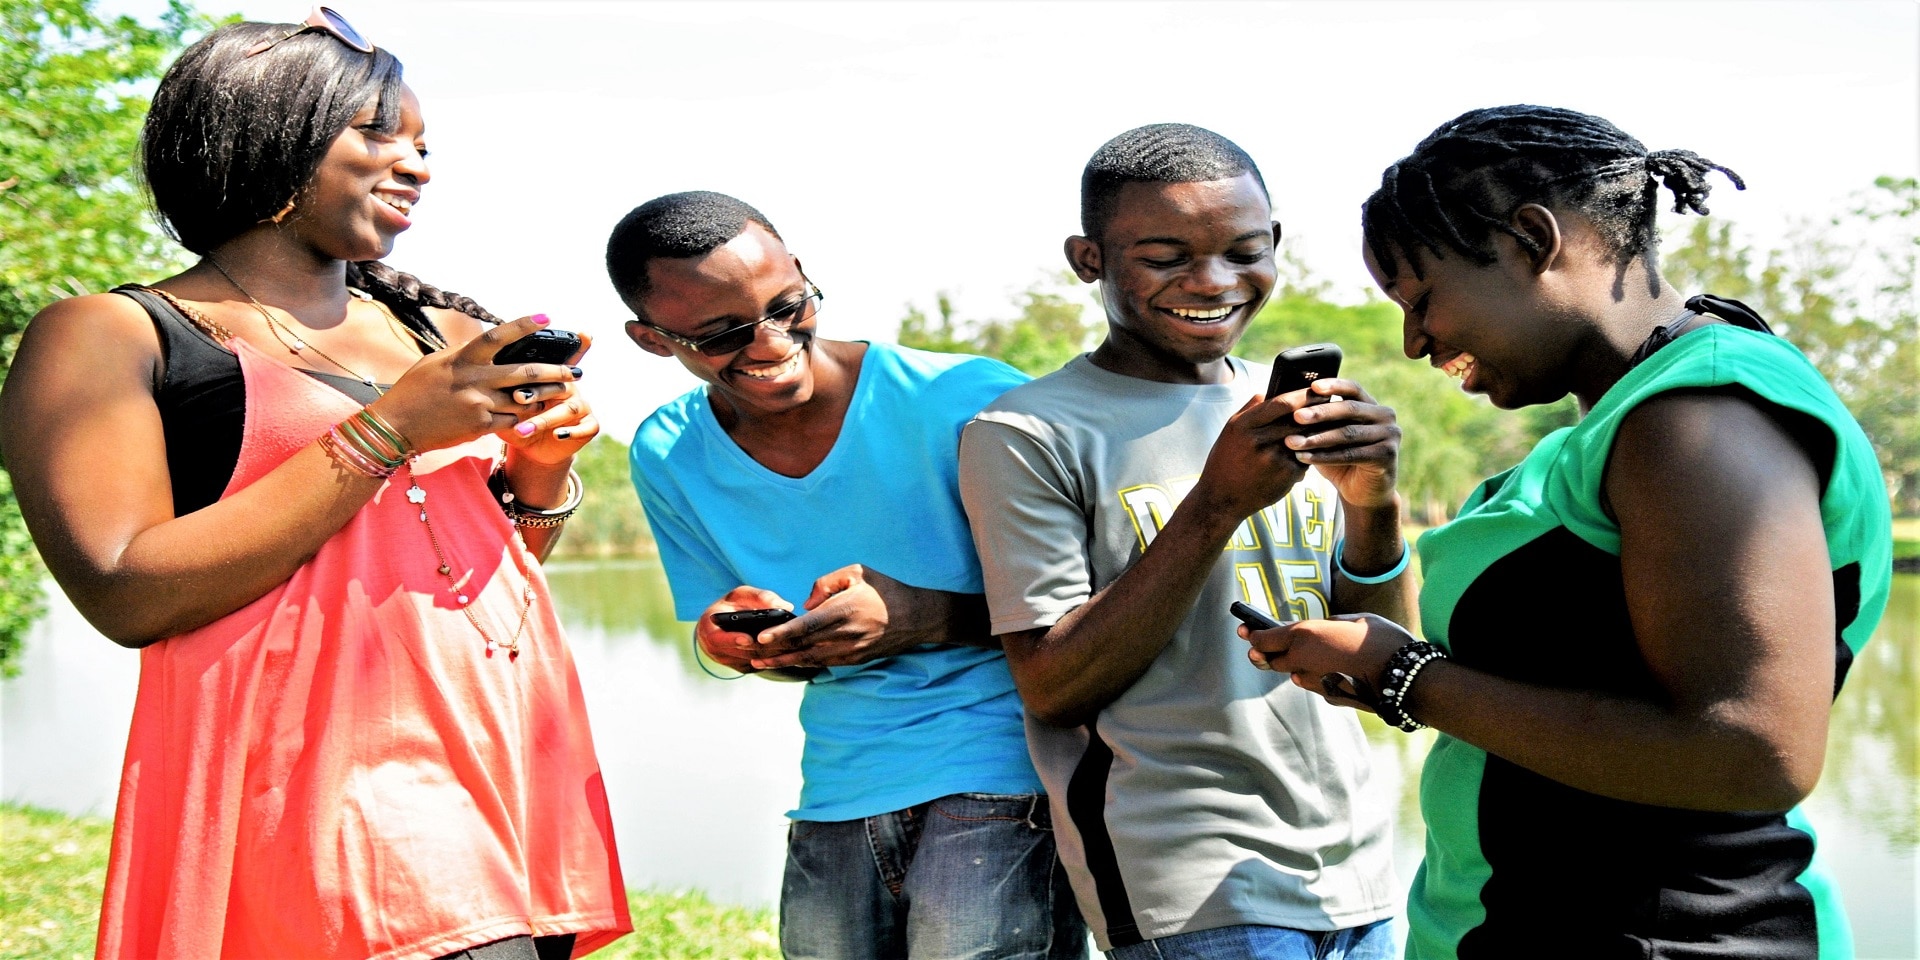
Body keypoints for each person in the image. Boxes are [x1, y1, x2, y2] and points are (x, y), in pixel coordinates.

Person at [0, 14, 630, 960]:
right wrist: (391, 429)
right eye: (379, 133)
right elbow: (124, 589)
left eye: (423, 145)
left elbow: (461, 569)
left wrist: (539, 480)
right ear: (270, 133)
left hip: (506, 752)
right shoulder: (113, 334)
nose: (415, 163)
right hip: (327, 773)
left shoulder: (439, 330)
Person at [1246, 105, 1895, 959]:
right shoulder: (1600, 433)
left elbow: (1751, 752)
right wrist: (1371, 505)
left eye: (1422, 297)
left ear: (1532, 238)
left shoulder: (1698, 419)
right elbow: (1418, 646)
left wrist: (1409, 679)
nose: (1412, 342)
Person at [956, 123, 1408, 959]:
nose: (1213, 282)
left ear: (1276, 243)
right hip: (1190, 876)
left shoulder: (1288, 411)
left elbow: (1386, 654)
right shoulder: (1026, 432)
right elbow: (1054, 686)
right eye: (1165, 257)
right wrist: (1214, 505)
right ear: (1087, 258)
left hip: (1355, 870)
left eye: (1243, 251)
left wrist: (1372, 502)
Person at [608, 191, 1086, 959]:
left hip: (1004, 770)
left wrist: (925, 616)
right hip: (838, 783)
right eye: (721, 334)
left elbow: (1092, 609)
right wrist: (741, 645)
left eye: (787, 306)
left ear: (801, 272)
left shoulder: (965, 399)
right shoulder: (667, 451)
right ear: (652, 340)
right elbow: (744, 645)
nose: (767, 344)